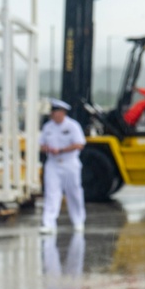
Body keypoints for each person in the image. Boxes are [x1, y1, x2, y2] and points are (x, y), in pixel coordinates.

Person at [39, 99, 87, 234]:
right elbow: (41, 145)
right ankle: (48, 223)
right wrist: (48, 149)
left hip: (69, 163)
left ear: (63, 113)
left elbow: (80, 144)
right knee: (51, 193)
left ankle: (78, 221)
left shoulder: (72, 126)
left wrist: (61, 150)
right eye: (53, 112)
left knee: (74, 193)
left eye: (56, 112)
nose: (54, 115)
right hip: (53, 163)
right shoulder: (48, 127)